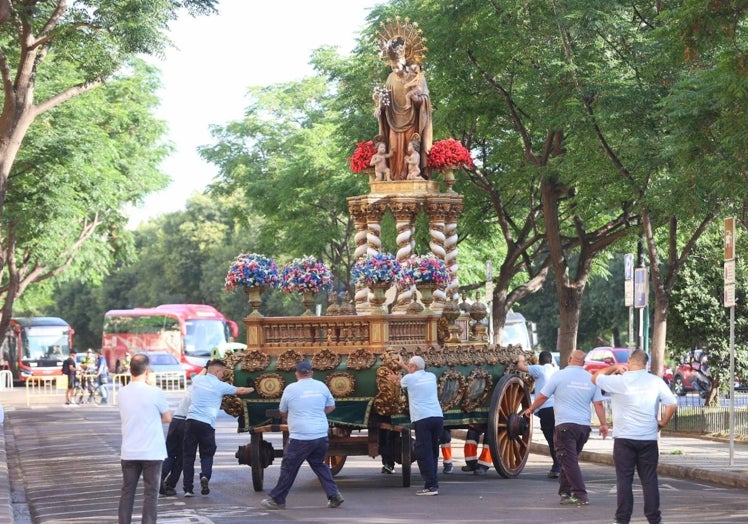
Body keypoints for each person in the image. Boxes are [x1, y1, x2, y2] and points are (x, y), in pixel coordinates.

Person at [592, 349, 677, 524]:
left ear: (630, 360)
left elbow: (594, 377)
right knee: (649, 480)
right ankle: (654, 518)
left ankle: (622, 519)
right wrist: (662, 423)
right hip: (648, 438)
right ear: (646, 363)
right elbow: (672, 403)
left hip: (624, 439)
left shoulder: (619, 381)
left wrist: (614, 367)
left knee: (624, 480)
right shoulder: (656, 381)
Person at [523, 349, 608, 507]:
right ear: (583, 363)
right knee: (568, 459)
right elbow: (598, 404)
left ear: (569, 359)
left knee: (569, 461)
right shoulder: (591, 379)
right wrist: (603, 424)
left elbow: (543, 396)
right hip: (583, 427)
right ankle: (565, 492)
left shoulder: (559, 376)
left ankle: (580, 494)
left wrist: (531, 409)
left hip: (565, 426)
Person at [261, 360, 344, 510]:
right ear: (311, 373)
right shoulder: (321, 386)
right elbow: (331, 406)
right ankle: (334, 495)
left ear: (296, 374)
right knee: (319, 464)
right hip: (320, 435)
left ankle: (277, 499)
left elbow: (282, 411)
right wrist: (317, 413)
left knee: (289, 467)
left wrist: (295, 415)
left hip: (300, 437)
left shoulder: (290, 389)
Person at [182, 359, 253, 497]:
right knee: (207, 454)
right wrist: (252, 388)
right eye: (222, 372)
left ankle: (188, 489)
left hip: (191, 421)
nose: (223, 375)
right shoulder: (220, 385)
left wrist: (206, 366)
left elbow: (202, 372)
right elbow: (241, 390)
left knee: (188, 456)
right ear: (216, 371)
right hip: (207, 424)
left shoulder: (197, 380)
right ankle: (205, 476)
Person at [117, 353, 171, 524]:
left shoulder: (122, 393)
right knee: (150, 493)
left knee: (127, 492)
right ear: (147, 371)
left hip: (129, 451)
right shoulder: (155, 392)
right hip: (152, 451)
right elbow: (167, 418)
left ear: (129, 369)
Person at [376, 22, 433, 180]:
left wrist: (415, 98)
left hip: (412, 120)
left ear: (404, 60)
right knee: (393, 149)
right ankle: (394, 177)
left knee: (411, 149)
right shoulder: (389, 78)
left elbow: (425, 98)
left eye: (398, 66)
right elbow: (385, 98)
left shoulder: (416, 76)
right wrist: (379, 107)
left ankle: (413, 175)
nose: (395, 70)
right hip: (393, 120)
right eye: (393, 66)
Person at [389, 355, 443, 495]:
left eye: (409, 366)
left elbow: (399, 383)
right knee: (433, 451)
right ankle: (433, 482)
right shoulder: (431, 376)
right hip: (437, 417)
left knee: (423, 452)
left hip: (422, 418)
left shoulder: (408, 378)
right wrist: (404, 366)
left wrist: (394, 379)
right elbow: (415, 373)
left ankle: (431, 486)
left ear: (412, 367)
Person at [517, 351, 561, 478]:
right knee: (557, 437)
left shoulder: (539, 369)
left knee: (551, 439)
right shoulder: (556, 370)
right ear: (551, 360)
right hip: (558, 408)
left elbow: (521, 367)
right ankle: (559, 465)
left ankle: (557, 466)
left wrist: (520, 359)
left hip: (546, 409)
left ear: (540, 361)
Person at [160, 386, 193, 497]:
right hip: (187, 422)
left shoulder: (194, 385)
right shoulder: (208, 389)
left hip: (176, 420)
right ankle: (170, 485)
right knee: (182, 457)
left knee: (170, 453)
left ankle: (160, 475)